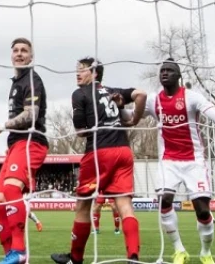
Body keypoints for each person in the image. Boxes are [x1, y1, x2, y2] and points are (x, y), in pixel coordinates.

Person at [136, 59, 215, 264]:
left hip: (194, 161)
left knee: (202, 210)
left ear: (178, 75)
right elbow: (132, 116)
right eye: (162, 70)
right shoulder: (153, 100)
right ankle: (179, 249)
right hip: (168, 162)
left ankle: (205, 252)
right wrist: (116, 110)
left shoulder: (191, 98)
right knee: (164, 200)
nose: (164, 73)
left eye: (169, 71)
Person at [51, 57, 145, 264]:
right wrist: (134, 120)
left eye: (82, 70)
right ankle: (133, 255)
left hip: (99, 153)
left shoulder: (80, 93)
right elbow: (141, 94)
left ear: (94, 74)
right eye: (77, 69)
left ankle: (75, 257)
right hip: (124, 151)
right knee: (124, 204)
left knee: (83, 205)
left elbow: (81, 132)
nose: (77, 73)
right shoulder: (113, 90)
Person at [0, 37, 49, 264]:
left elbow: (31, 114)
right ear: (11, 55)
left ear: (31, 56)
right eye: (16, 50)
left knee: (11, 189)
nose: (19, 54)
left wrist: (1, 127)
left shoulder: (32, 80)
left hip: (31, 141)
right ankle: (11, 256)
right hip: (15, 145)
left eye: (24, 50)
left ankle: (20, 252)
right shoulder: (16, 82)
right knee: (1, 200)